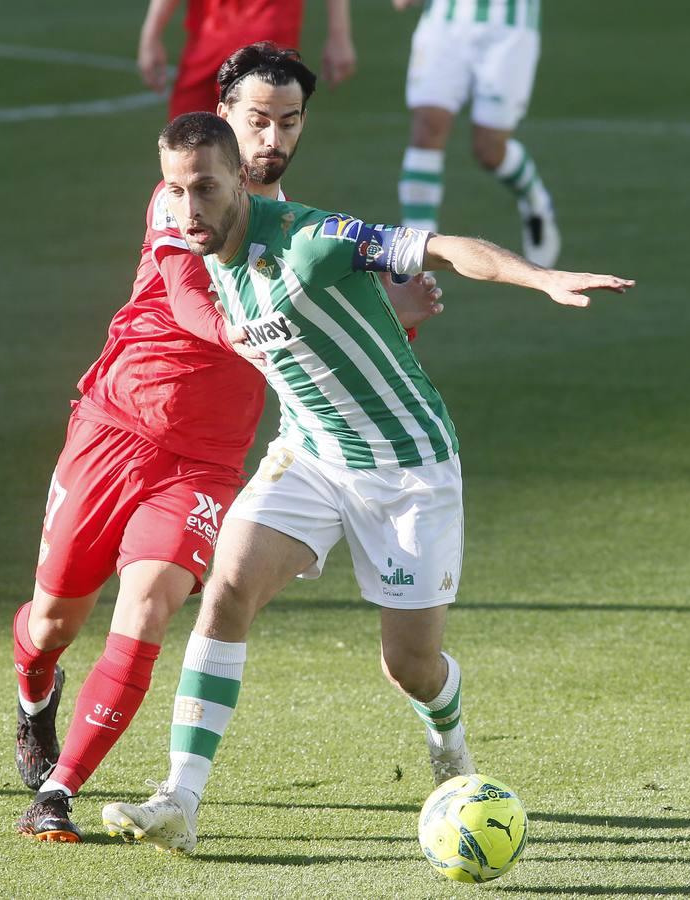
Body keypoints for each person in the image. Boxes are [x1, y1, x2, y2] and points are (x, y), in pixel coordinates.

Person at [100, 111, 633, 852]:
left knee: (408, 666)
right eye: (176, 189)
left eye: (206, 189)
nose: (189, 209)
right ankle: (181, 798)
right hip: (310, 457)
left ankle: (448, 742)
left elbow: (440, 248)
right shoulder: (177, 217)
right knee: (224, 592)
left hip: (408, 469)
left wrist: (538, 277)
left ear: (239, 183)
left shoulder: (313, 243)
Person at [14, 44, 443, 843]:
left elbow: (341, 354)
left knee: (148, 606)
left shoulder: (303, 236)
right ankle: (35, 694)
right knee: (51, 623)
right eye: (255, 119)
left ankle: (58, 794)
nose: (271, 137)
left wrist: (400, 314)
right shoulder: (181, 199)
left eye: (287, 121)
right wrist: (249, 334)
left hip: (205, 462)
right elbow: (186, 299)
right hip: (113, 428)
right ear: (222, 121)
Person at [393, 0, 561, 267]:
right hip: (445, 20)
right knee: (427, 126)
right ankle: (416, 261)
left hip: (509, 27)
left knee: (489, 150)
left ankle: (535, 200)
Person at [138, 0, 357, 118]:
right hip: (206, 35)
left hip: (266, 33)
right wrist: (151, 33)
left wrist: (339, 33)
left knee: (254, 157)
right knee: (185, 151)